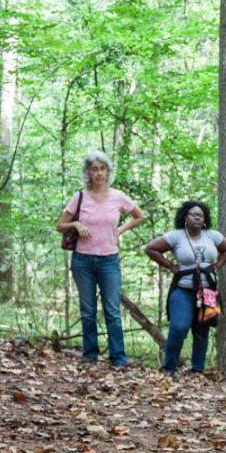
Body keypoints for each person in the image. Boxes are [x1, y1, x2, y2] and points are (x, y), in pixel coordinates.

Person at [55, 150, 145, 367]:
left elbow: (139, 216)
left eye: (102, 168)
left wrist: (120, 230)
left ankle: (118, 358)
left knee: (112, 311)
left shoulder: (118, 196)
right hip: (83, 261)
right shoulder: (80, 197)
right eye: (94, 169)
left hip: (109, 261)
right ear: (88, 172)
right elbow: (59, 225)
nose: (99, 173)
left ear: (108, 171)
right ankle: (90, 355)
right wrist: (75, 224)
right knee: (88, 310)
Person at [145, 201, 226, 375]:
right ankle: (169, 367)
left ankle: (197, 369)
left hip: (207, 291)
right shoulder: (176, 236)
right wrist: (171, 266)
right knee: (179, 326)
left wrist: (218, 266)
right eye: (192, 214)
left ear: (204, 219)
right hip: (183, 290)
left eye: (200, 215)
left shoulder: (212, 236)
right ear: (185, 217)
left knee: (202, 329)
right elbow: (151, 249)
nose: (196, 218)